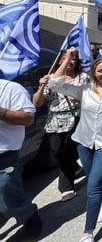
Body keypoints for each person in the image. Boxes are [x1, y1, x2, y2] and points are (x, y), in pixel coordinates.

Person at [48, 48, 102, 242]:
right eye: (100, 70)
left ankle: (88, 232)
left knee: (93, 185)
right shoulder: (83, 89)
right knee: (98, 179)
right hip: (83, 141)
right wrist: (67, 57)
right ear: (94, 72)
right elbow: (54, 83)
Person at [32, 50, 89, 202]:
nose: (70, 61)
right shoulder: (51, 79)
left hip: (75, 118)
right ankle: (75, 168)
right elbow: (37, 103)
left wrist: (81, 100)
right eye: (66, 59)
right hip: (55, 121)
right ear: (59, 61)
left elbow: (91, 97)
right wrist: (41, 87)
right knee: (57, 152)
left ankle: (66, 187)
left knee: (68, 153)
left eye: (73, 59)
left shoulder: (82, 78)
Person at [0, 78, 42, 241]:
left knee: (8, 194)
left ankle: (30, 217)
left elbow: (28, 118)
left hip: (5, 155)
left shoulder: (11, 88)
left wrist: (1, 112)